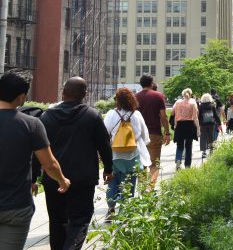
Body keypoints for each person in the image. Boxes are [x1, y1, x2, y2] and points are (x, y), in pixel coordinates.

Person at [40, 77, 113, 250]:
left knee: (56, 221)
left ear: (63, 92)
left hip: (53, 179)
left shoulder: (46, 116)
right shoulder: (92, 115)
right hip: (83, 178)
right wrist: (108, 169)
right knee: (80, 220)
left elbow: (38, 148)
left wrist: (34, 175)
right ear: (84, 94)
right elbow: (104, 145)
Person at [0, 72, 70, 249]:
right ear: (21, 97)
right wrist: (62, 180)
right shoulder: (31, 124)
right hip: (15, 207)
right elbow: (49, 164)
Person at [103, 88, 150, 217]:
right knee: (129, 182)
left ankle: (111, 208)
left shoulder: (111, 114)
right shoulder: (136, 114)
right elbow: (145, 136)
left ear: (117, 100)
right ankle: (124, 211)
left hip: (114, 154)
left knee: (112, 181)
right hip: (133, 154)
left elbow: (104, 134)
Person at [135, 74, 171, 190]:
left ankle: (142, 190)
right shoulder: (158, 96)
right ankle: (150, 189)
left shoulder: (135, 97)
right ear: (152, 83)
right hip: (154, 133)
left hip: (139, 136)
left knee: (141, 164)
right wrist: (167, 132)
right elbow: (163, 116)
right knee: (154, 164)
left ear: (141, 84)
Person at [171, 88, 199, 169]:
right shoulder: (193, 103)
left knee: (179, 145)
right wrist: (198, 129)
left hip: (179, 125)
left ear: (183, 94)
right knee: (188, 147)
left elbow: (173, 113)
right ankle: (187, 165)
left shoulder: (177, 102)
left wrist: (175, 125)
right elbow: (195, 117)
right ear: (190, 94)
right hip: (189, 125)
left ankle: (178, 160)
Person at [197, 93, 220, 158]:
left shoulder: (200, 106)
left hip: (203, 124)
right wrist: (219, 123)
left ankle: (204, 152)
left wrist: (198, 123)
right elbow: (215, 115)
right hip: (211, 123)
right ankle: (211, 151)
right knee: (211, 136)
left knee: (203, 137)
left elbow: (198, 116)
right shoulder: (212, 105)